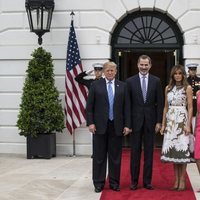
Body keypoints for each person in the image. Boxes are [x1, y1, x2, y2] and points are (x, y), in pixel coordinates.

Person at [86, 61, 131, 193]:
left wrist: (128, 125)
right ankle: (98, 183)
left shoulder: (123, 86)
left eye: (112, 70)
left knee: (115, 157)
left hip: (116, 126)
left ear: (116, 72)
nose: (110, 72)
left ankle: (114, 182)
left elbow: (127, 107)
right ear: (104, 72)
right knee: (99, 157)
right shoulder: (96, 85)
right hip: (99, 126)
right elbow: (90, 107)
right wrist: (91, 122)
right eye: (108, 70)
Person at [126, 55, 163, 190]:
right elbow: (127, 105)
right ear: (138, 65)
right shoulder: (130, 82)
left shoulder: (156, 81)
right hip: (135, 123)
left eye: (146, 65)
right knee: (135, 153)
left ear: (150, 65)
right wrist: (128, 124)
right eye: (141, 64)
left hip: (151, 122)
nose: (144, 67)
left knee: (149, 153)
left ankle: (147, 182)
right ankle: (134, 181)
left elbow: (160, 103)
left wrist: (159, 122)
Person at [160, 64, 193, 191]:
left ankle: (183, 179)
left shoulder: (187, 88)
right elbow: (165, 107)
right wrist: (163, 124)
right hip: (171, 122)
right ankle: (176, 180)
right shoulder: (168, 88)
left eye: (180, 73)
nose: (178, 75)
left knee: (182, 150)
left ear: (183, 75)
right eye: (176, 73)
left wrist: (188, 125)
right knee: (174, 151)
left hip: (182, 120)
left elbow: (190, 107)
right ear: (172, 75)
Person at [194, 90, 200, 192]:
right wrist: (195, 127)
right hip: (199, 125)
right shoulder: (198, 93)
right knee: (197, 156)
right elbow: (198, 111)